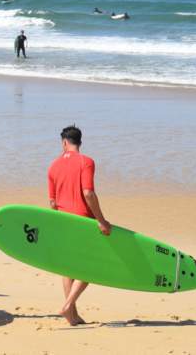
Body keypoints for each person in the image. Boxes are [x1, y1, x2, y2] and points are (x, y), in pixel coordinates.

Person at [47, 125, 111, 326]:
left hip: (63, 222)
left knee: (68, 269)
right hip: (83, 222)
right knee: (90, 268)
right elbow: (88, 193)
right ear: (79, 142)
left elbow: (52, 202)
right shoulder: (87, 162)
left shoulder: (53, 166)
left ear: (64, 142)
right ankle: (68, 307)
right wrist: (101, 220)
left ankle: (72, 316)